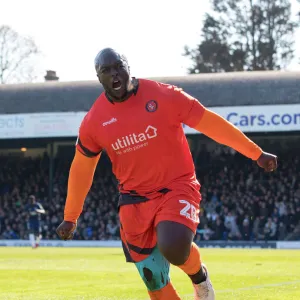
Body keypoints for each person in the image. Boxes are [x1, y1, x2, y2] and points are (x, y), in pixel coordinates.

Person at [56, 48, 278, 300]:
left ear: (128, 66)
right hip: (133, 200)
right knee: (153, 279)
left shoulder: (163, 95)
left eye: (118, 66)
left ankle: (200, 280)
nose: (114, 74)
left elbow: (210, 123)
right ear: (99, 78)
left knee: (173, 247)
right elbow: (82, 169)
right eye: (106, 71)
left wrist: (256, 153)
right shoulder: (94, 121)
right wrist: (71, 216)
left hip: (176, 187)